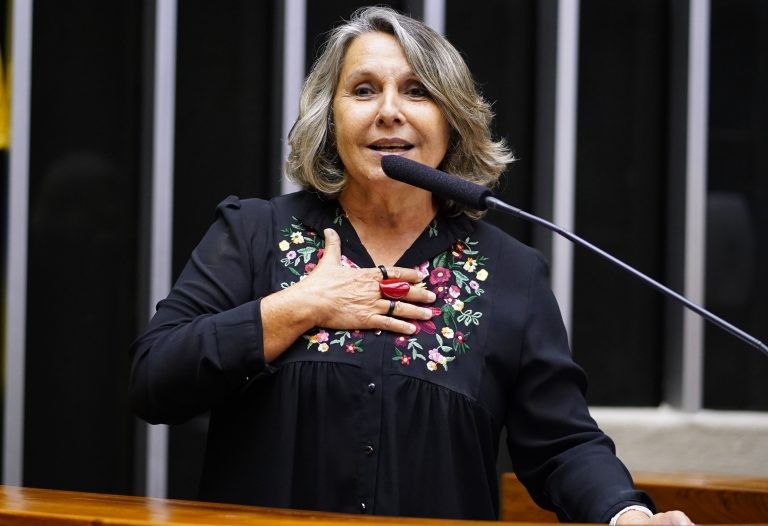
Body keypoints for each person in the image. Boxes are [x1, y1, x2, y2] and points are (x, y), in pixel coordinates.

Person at [130, 6, 692, 524]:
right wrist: (298, 306)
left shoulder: (512, 272)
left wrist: (627, 515)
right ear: (330, 118)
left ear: (452, 122)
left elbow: (562, 445)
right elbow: (155, 379)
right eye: (364, 90)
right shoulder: (254, 235)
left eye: (417, 92)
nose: (389, 112)